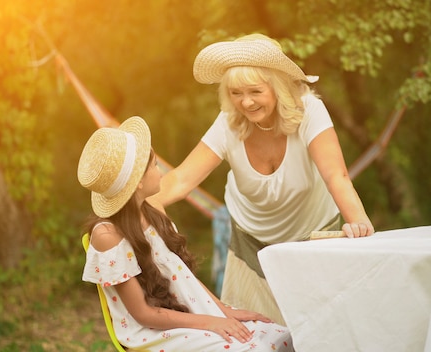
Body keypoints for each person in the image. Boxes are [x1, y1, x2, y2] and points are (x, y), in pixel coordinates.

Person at [150, 33, 375, 326]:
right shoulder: (228, 122)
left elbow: (337, 176)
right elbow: (180, 179)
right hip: (251, 247)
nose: (245, 102)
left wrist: (359, 222)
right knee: (256, 333)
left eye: (255, 91)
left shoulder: (309, 111)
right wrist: (141, 201)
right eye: (235, 93)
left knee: (321, 331)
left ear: (278, 87)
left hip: (313, 239)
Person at [77, 116, 293, 351]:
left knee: (282, 337)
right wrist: (210, 322)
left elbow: (182, 274)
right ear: (137, 182)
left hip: (191, 313)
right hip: (156, 332)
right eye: (154, 165)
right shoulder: (108, 236)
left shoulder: (152, 210)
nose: (160, 173)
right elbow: (143, 314)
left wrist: (223, 310)